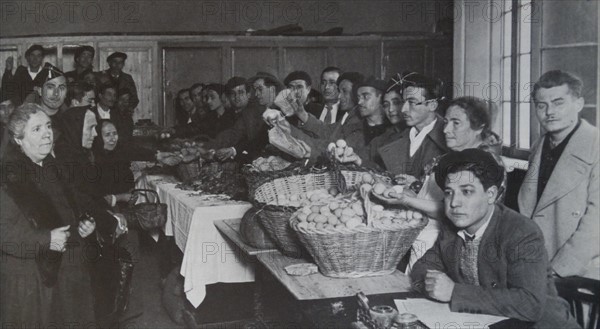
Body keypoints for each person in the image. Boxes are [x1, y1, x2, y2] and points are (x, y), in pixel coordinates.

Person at [410, 148, 580, 328]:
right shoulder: (452, 226)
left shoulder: (521, 232)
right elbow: (422, 266)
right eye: (448, 192)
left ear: (490, 194)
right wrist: (435, 284)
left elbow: (530, 304)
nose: (454, 203)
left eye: (466, 191)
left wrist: (454, 292)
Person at [1, 103, 98, 327]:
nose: (47, 134)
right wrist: (47, 239)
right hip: (30, 278)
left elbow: (72, 207)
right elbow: (4, 234)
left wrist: (85, 224)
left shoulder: (53, 167)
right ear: (18, 139)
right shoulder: (8, 177)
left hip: (69, 270)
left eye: (48, 126)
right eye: (36, 130)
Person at [385, 96, 503, 271]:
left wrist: (407, 200)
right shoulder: (452, 157)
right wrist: (415, 187)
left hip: (454, 256)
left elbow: (455, 211)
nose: (446, 129)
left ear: (478, 128)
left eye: (456, 123)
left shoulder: (487, 164)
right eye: (446, 122)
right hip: (425, 247)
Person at [518, 70, 599, 279]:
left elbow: (596, 223)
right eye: (541, 105)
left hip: (578, 270)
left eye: (558, 103)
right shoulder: (539, 146)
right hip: (537, 261)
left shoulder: (595, 146)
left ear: (579, 104)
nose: (549, 112)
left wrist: (558, 269)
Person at [375, 72, 448, 180]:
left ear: (432, 105)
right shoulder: (395, 137)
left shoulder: (448, 141)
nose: (403, 109)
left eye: (412, 102)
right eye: (404, 102)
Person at [93, 119, 134, 210]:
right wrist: (120, 197)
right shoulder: (93, 161)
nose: (113, 138)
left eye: (114, 133)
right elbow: (95, 198)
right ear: (99, 137)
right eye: (107, 135)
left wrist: (131, 195)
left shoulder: (118, 156)